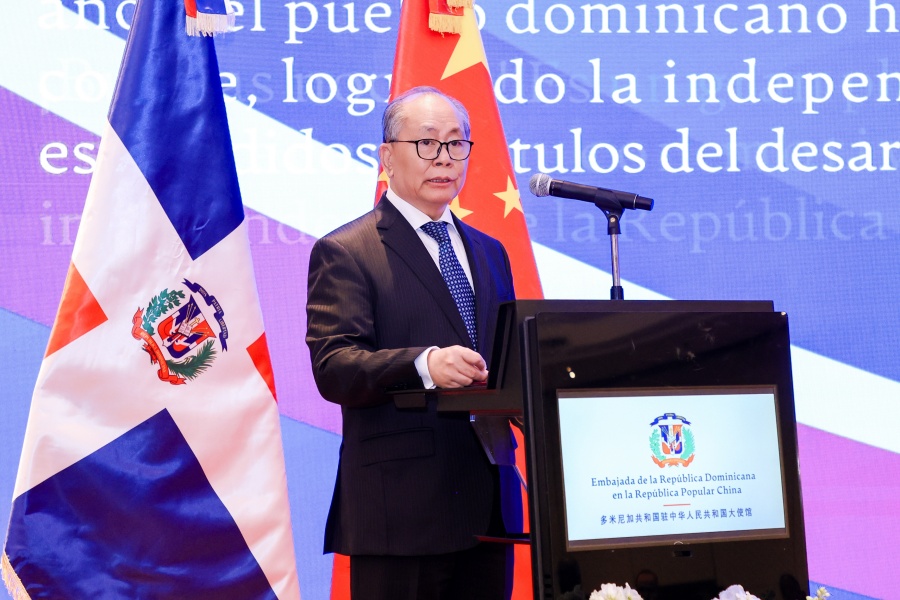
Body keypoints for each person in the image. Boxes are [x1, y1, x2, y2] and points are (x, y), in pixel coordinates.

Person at [305, 86, 516, 600]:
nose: (444, 158)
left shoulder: (490, 252)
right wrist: (424, 365)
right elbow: (335, 365)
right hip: (400, 511)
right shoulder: (347, 251)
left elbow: (505, 364)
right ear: (386, 156)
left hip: (489, 505)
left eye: (456, 144)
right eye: (426, 144)